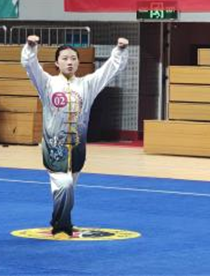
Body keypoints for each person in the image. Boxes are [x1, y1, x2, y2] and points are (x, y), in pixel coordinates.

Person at [21, 35, 129, 239]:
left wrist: (119, 50)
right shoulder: (47, 83)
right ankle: (62, 227)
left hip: (77, 148)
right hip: (55, 148)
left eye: (73, 58)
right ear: (56, 63)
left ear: (78, 62)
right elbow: (30, 66)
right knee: (64, 184)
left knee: (69, 188)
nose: (69, 62)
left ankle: (60, 219)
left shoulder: (87, 84)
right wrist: (30, 47)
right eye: (64, 58)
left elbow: (109, 70)